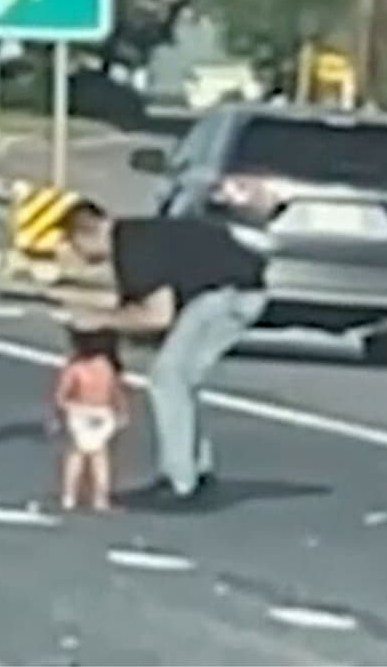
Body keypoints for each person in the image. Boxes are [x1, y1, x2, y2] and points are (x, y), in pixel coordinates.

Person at [43, 201, 268, 503]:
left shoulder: (131, 249)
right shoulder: (139, 237)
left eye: (74, 244)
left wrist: (97, 320)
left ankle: (179, 481)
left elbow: (156, 316)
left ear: (87, 233)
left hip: (223, 294)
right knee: (183, 378)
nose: (78, 255)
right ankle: (196, 471)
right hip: (246, 288)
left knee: (167, 378)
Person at [54, 328, 129, 512]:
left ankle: (69, 495)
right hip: (103, 414)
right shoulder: (107, 367)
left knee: (76, 454)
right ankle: (100, 498)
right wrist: (122, 412)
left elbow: (62, 394)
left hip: (80, 412)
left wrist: (60, 410)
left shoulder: (76, 368)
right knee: (100, 457)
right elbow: (117, 392)